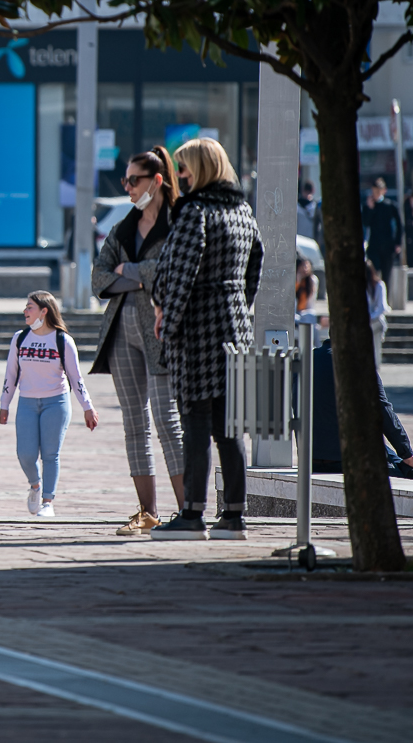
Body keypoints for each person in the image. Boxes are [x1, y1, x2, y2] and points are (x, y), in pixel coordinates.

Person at [149, 137, 263, 541]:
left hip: (197, 326)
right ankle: (234, 515)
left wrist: (167, 320)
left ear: (199, 169)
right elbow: (255, 268)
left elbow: (178, 274)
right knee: (229, 424)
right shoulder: (243, 211)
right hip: (234, 326)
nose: (180, 176)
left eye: (184, 168)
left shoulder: (194, 211)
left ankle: (192, 513)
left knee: (195, 420)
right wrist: (236, 306)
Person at [91, 146, 185, 536]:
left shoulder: (178, 222)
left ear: (157, 181)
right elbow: (99, 278)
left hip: (161, 332)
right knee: (134, 423)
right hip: (120, 331)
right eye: (124, 180)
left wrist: (128, 270)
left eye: (134, 180)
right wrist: (142, 276)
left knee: (167, 421)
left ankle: (189, 510)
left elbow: (171, 271)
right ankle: (148, 512)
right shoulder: (123, 227)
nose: (127, 187)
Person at [0, 291, 97, 518]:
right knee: (25, 454)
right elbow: (10, 374)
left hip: (56, 402)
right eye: (26, 306)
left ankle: (47, 502)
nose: (25, 311)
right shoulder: (20, 338)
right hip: (27, 402)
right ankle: (35, 485)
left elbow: (76, 378)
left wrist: (88, 407)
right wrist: (5, 404)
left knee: (51, 454)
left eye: (30, 307)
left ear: (44, 311)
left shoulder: (63, 340)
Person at [310, 338, 413, 480]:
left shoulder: (306, 360)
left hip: (312, 456)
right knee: (400, 467)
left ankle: (407, 468)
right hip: (350, 458)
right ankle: (411, 471)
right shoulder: (358, 361)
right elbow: (383, 411)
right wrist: (408, 455)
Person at [362, 177, 400, 289]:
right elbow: (366, 223)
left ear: (384, 191)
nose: (376, 194)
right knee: (372, 273)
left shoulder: (390, 205)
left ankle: (386, 297)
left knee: (386, 276)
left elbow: (399, 225)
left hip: (388, 245)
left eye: (378, 192)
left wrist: (398, 242)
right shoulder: (367, 206)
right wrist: (370, 209)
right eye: (374, 191)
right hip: (374, 244)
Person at [366, 259, 389, 370]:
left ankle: (375, 368)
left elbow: (382, 307)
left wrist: (371, 317)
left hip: (376, 321)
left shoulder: (379, 285)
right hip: (366, 321)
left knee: (376, 347)